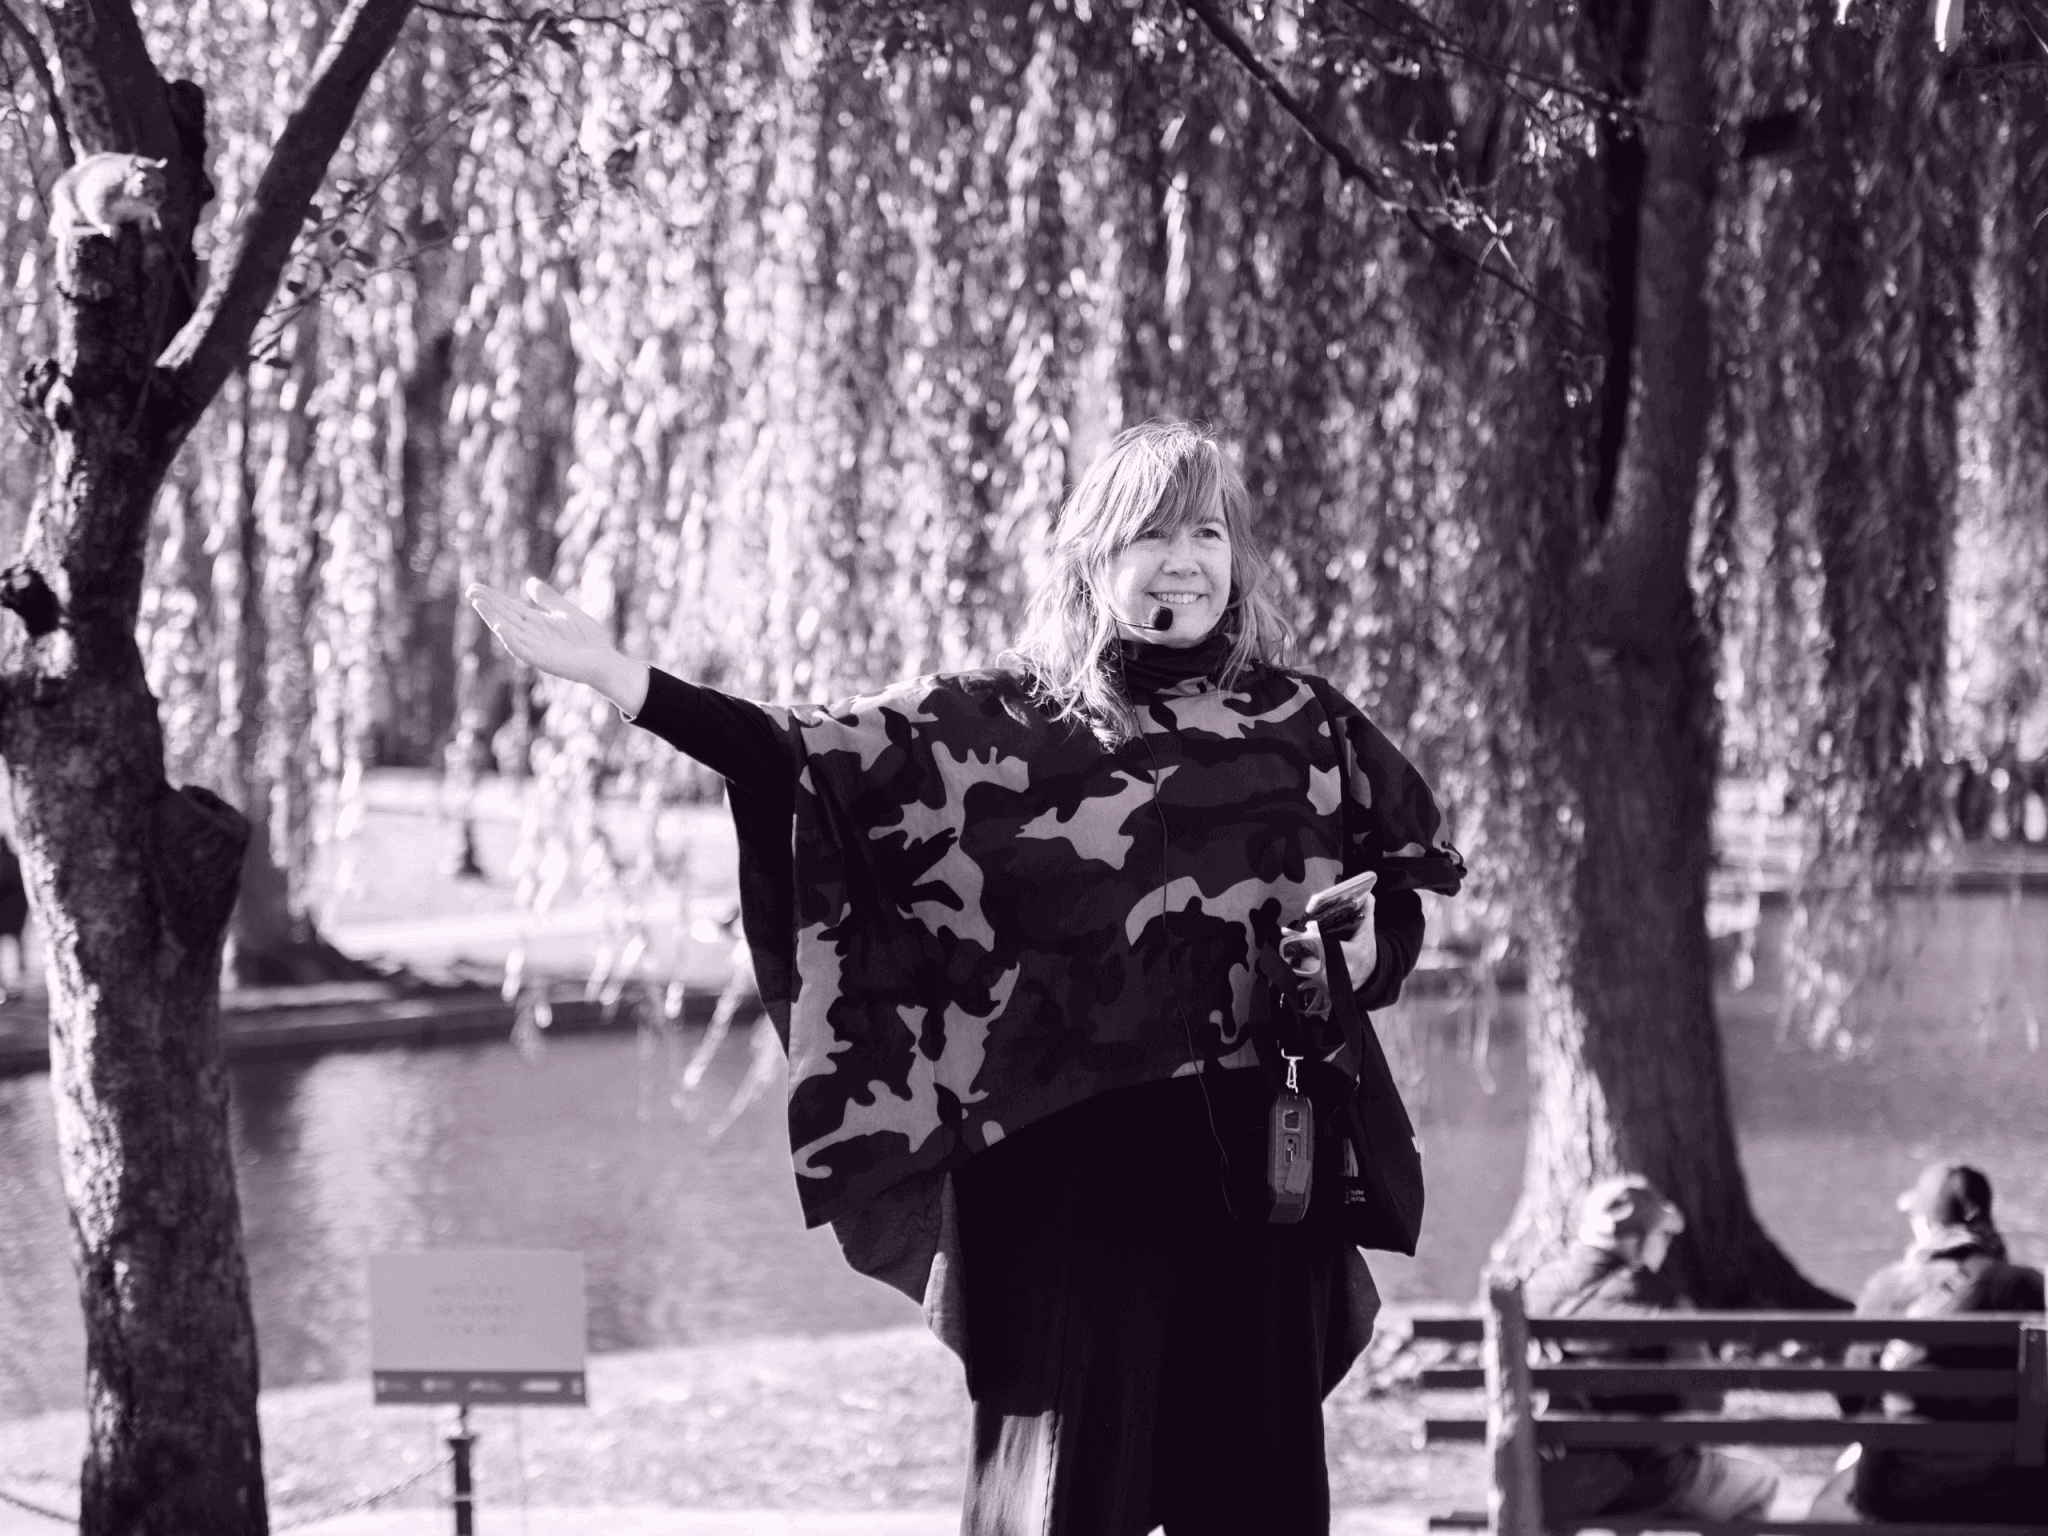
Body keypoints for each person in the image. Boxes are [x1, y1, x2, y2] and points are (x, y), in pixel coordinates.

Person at [468, 419, 1465, 1535]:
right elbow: (797, 757)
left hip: (1263, 1168)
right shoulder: (996, 718)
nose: (1184, 557)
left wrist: (1365, 951)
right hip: (1067, 1173)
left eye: (1206, 531)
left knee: (1258, 1490)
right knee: (1055, 1488)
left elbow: (1395, 902)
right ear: (1093, 554)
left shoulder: (1307, 725)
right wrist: (623, 679)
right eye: (1151, 533)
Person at [1522, 1176, 1780, 1522]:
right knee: (1761, 1482)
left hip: (1541, 1479)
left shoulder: (1533, 1289)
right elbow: (1708, 1405)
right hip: (1646, 1483)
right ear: (1636, 1240)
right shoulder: (1658, 1301)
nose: (1668, 1245)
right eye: (1664, 1234)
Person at [1807, 1161, 2047, 1523]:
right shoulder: (2026, 1287)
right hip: (2011, 1493)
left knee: (1832, 1494)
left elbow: (1852, 1399)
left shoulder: (1887, 1288)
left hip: (1896, 1493)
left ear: (1929, 1223)